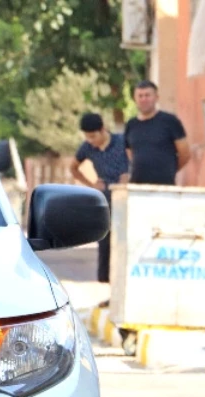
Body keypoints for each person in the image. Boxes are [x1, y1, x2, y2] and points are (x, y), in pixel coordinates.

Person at [70, 113, 130, 283]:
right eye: (87, 137)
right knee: (105, 243)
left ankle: (123, 281)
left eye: (93, 136)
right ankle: (105, 282)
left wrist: (128, 175)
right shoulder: (87, 148)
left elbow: (135, 160)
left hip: (125, 198)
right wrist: (91, 184)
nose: (90, 140)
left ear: (103, 130)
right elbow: (74, 168)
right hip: (105, 200)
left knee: (123, 242)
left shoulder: (122, 141)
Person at [124, 81, 190, 185]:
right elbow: (129, 153)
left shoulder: (170, 121)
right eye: (140, 96)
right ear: (135, 99)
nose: (143, 99)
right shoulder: (131, 124)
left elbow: (185, 153)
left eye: (147, 95)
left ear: (156, 97)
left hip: (165, 186)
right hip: (137, 185)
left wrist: (170, 170)